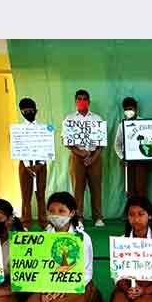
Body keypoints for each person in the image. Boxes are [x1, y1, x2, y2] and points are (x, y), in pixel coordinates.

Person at [19, 192, 103, 302]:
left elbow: (86, 272)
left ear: (72, 213)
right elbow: (37, 268)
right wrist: (45, 290)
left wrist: (63, 289)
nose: (55, 215)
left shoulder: (81, 238)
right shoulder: (42, 238)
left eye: (61, 211)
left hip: (77, 285)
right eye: (52, 210)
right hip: (46, 285)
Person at [65, 90, 105, 227]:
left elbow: (102, 143)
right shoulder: (69, 119)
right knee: (78, 189)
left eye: (84, 99)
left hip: (95, 157)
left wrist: (93, 158)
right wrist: (81, 153)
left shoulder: (97, 119)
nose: (82, 101)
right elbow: (67, 142)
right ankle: (78, 218)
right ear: (76, 101)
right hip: (77, 157)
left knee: (96, 188)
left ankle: (98, 218)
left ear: (89, 102)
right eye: (79, 99)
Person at [16, 97, 49, 230]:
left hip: (41, 164)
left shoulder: (44, 128)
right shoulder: (18, 129)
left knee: (41, 193)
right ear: (21, 112)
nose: (28, 112)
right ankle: (26, 222)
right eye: (25, 110)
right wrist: (27, 166)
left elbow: (47, 147)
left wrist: (40, 164)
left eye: (31, 110)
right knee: (25, 194)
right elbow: (17, 148)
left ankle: (43, 221)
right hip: (25, 165)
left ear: (36, 111)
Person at [114, 96, 150, 198]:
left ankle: (143, 210)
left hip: (141, 160)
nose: (128, 111)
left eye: (131, 109)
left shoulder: (144, 123)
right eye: (126, 109)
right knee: (129, 188)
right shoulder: (122, 125)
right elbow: (117, 144)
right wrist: (122, 157)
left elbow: (148, 140)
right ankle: (131, 210)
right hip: (128, 161)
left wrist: (147, 155)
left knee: (141, 187)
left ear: (136, 109)